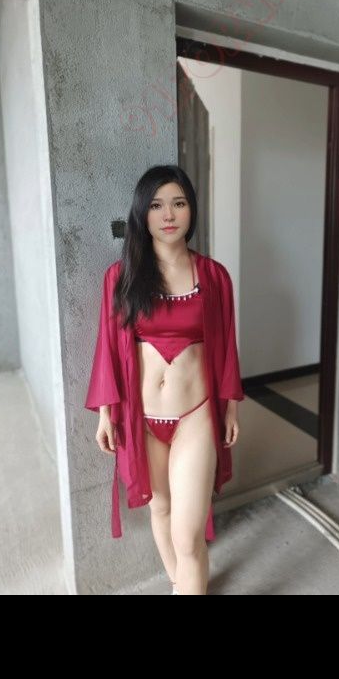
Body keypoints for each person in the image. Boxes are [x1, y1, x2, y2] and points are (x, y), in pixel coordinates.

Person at [84, 164, 245, 595]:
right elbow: (107, 349)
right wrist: (105, 415)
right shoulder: (121, 277)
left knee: (188, 536)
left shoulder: (214, 276)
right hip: (143, 420)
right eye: (156, 205)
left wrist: (230, 406)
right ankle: (181, 584)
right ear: (142, 213)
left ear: (192, 210)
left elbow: (227, 345)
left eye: (178, 203)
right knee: (161, 511)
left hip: (195, 417)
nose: (168, 214)